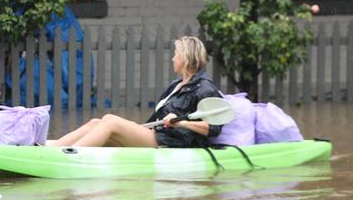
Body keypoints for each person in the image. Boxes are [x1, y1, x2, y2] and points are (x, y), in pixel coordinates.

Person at [48, 36, 224, 149]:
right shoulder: (176, 85)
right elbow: (155, 119)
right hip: (157, 134)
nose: (172, 58)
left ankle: (69, 155)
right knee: (96, 122)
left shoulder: (205, 88)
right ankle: (52, 148)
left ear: (185, 58)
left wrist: (182, 123)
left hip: (170, 143)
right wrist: (134, 127)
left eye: (176, 54)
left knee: (110, 120)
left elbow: (214, 129)